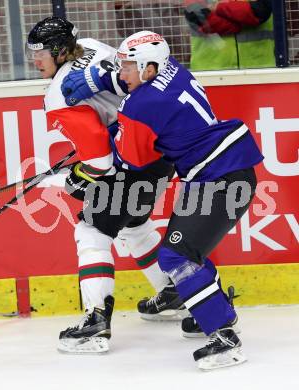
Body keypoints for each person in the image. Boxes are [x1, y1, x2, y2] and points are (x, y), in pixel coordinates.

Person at [61, 30, 263, 369]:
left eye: (127, 67)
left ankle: (224, 336)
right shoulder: (173, 70)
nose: (122, 74)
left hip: (219, 178)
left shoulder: (141, 105)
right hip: (222, 170)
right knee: (184, 249)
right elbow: (145, 116)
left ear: (148, 68)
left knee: (176, 255)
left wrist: (91, 160)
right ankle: (215, 312)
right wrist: (113, 109)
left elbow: (132, 161)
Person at [25, 17, 186, 354]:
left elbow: (100, 164)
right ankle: (171, 293)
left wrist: (73, 178)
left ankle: (96, 322)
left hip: (129, 165)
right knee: (134, 226)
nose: (34, 60)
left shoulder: (58, 94)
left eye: (39, 52)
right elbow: (133, 87)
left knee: (91, 231)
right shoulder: (97, 47)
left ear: (57, 50)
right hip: (158, 155)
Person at [184, 0, 274, 70]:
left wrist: (217, 7)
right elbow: (195, 14)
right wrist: (239, 21)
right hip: (210, 73)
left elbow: (261, 10)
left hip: (262, 71)